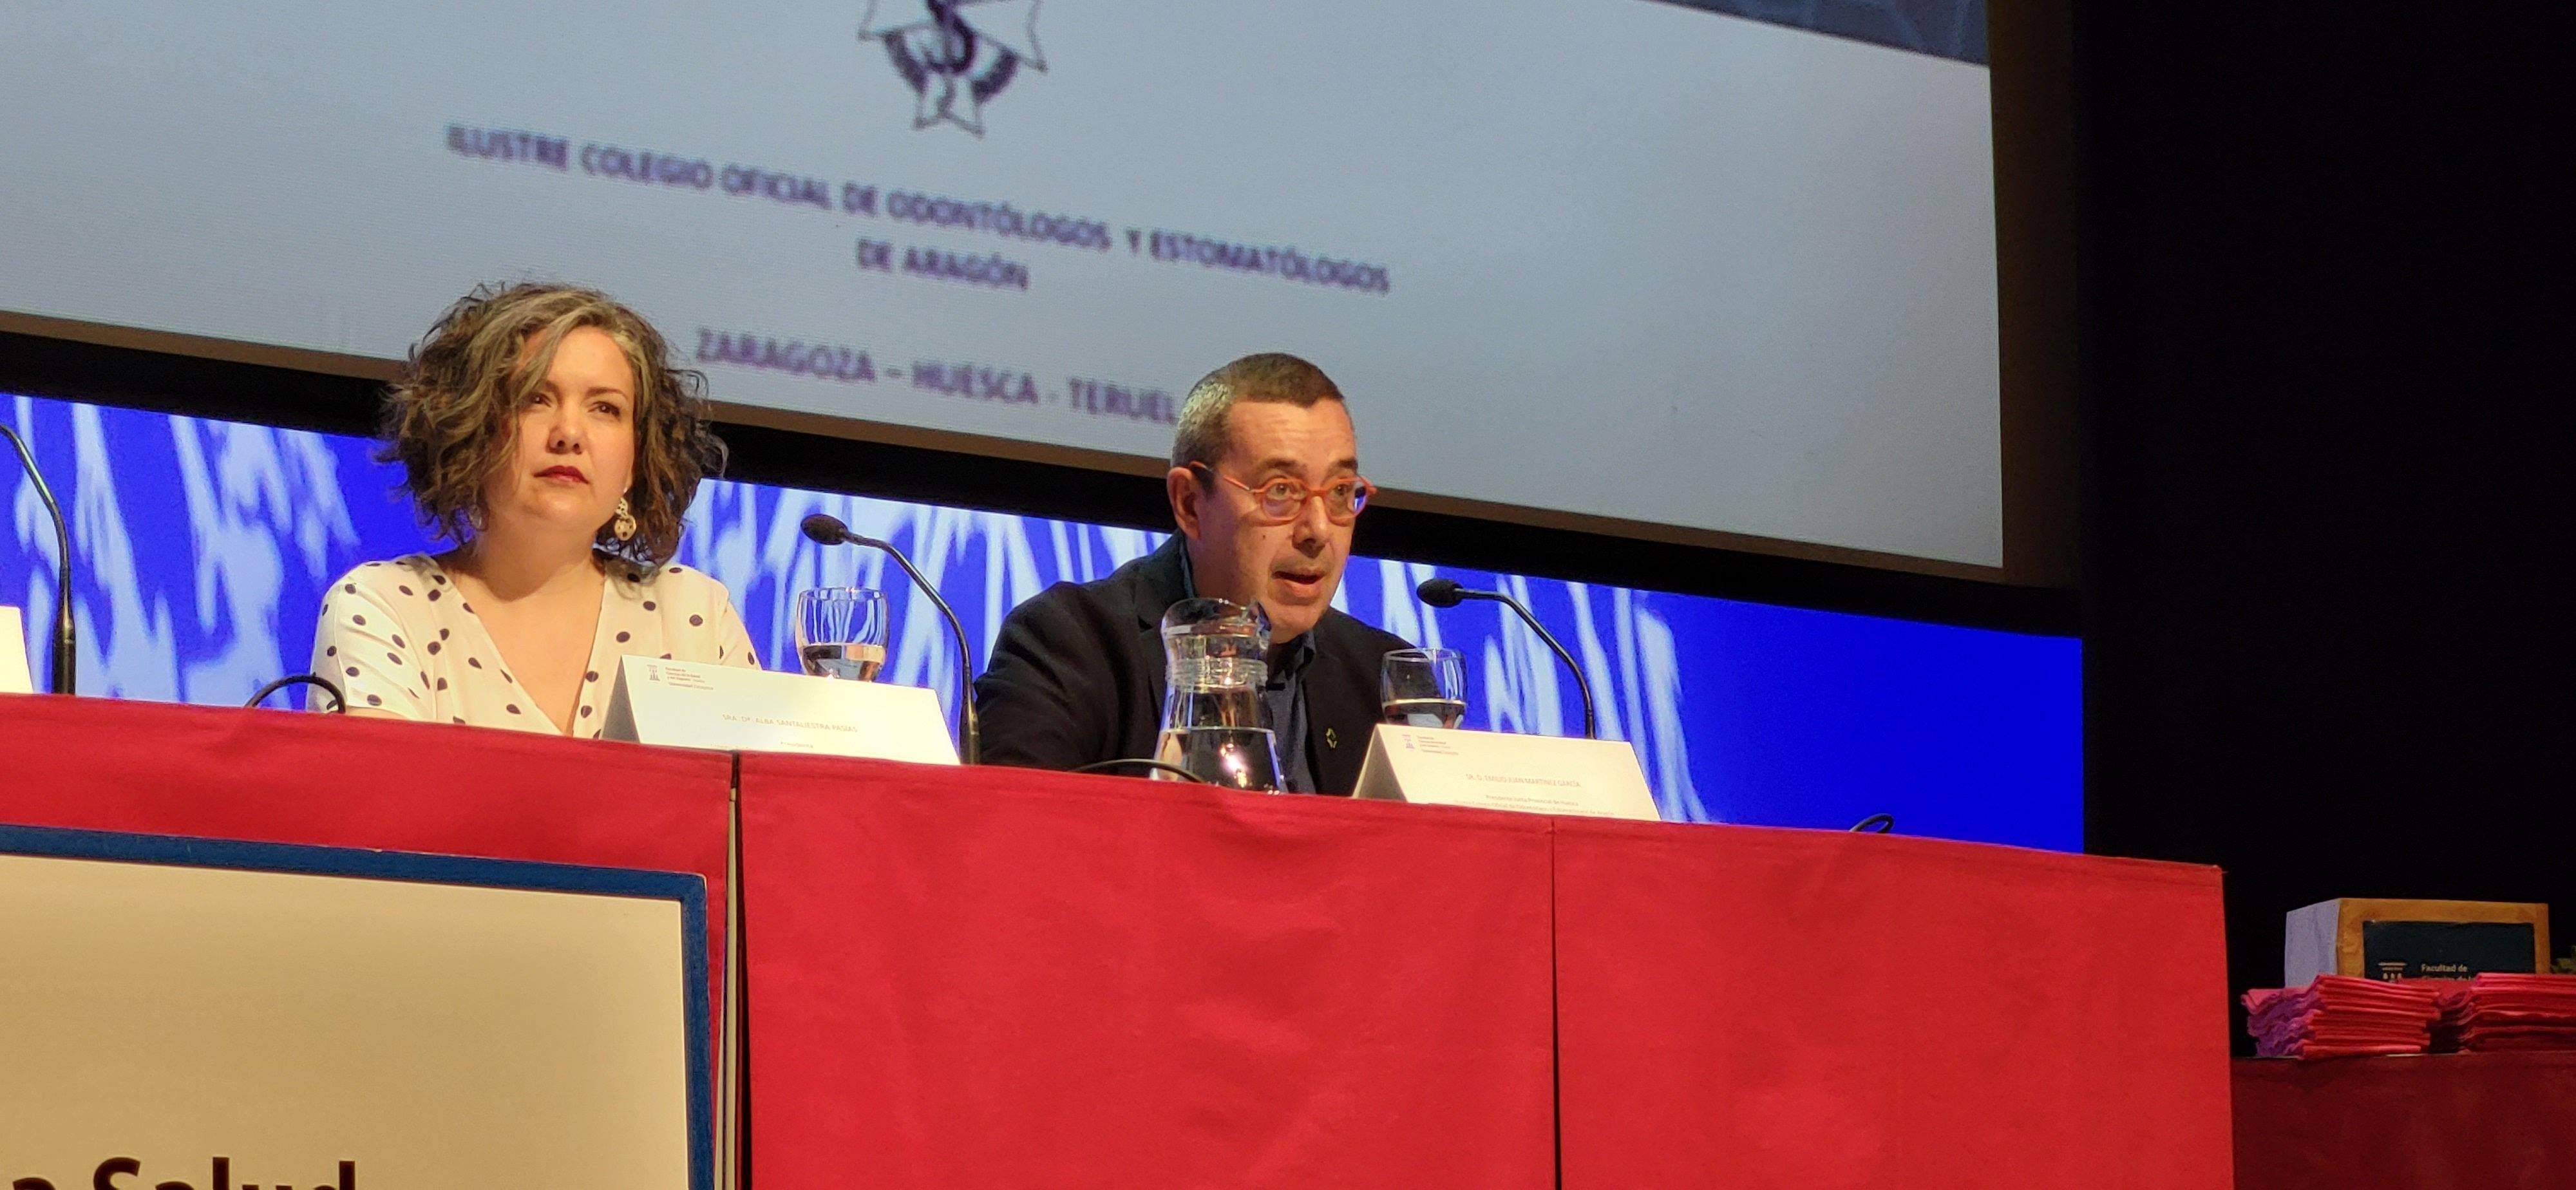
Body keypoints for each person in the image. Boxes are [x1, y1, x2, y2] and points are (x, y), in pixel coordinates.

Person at [311, 283, 757, 734]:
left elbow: (753, 800)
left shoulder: (694, 614)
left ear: (635, 461)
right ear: (473, 430)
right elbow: (379, 798)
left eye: (605, 408)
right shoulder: (385, 606)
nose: (569, 433)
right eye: (535, 399)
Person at [974, 353, 1412, 794]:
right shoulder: (1070, 644)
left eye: (1340, 492)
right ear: (1189, 503)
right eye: (1281, 491)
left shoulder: (1379, 679)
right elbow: (1018, 836)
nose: (1318, 530)